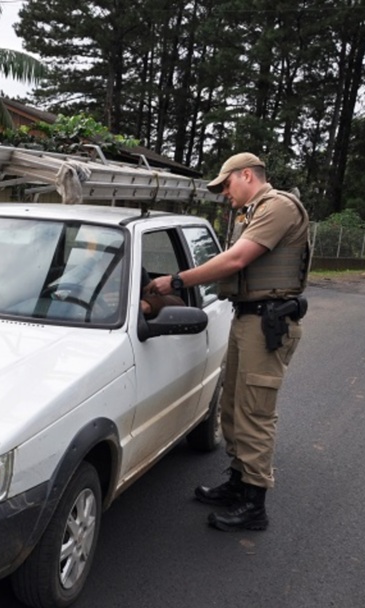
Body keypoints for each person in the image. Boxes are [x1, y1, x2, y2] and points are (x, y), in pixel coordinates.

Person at [145, 152, 310, 531]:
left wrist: (177, 281)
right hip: (249, 318)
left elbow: (236, 261)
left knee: (255, 413)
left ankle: (254, 505)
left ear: (247, 175)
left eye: (226, 185)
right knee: (234, 408)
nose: (223, 194)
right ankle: (238, 483)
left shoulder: (278, 207)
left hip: (269, 323)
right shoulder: (250, 213)